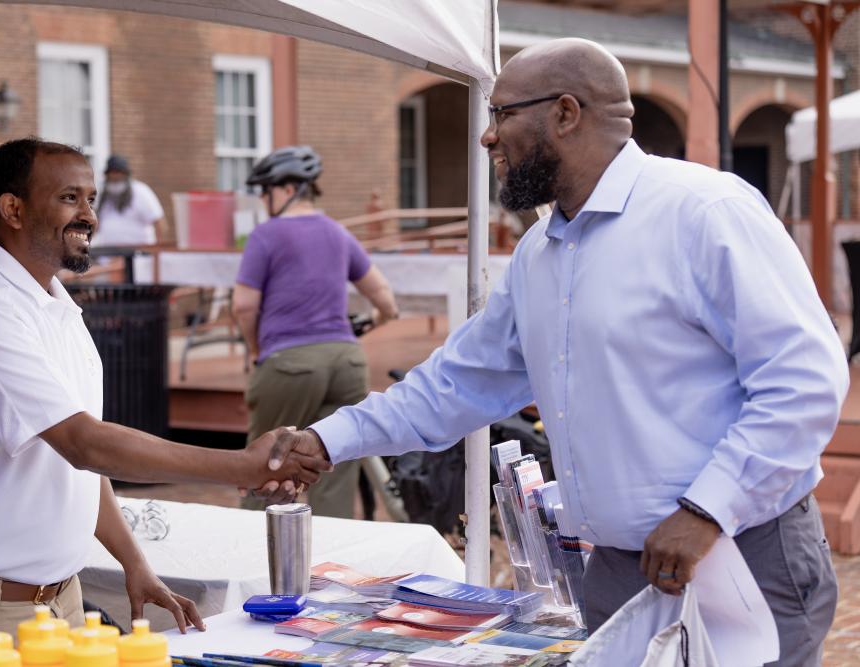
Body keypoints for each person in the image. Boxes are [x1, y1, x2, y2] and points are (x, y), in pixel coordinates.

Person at [256, 40, 848, 666]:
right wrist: (327, 440)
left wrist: (707, 510)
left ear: (566, 114)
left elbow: (804, 382)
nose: (488, 138)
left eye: (502, 114)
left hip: (743, 555)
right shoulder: (539, 253)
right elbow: (454, 385)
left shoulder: (704, 213)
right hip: (623, 571)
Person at [0, 138, 329, 659]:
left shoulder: (53, 301)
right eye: (71, 198)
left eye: (91, 199)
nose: (89, 215)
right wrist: (242, 467)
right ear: (13, 209)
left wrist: (133, 563)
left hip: (52, 604)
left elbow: (75, 464)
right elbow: (83, 444)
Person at [232, 145, 398, 519]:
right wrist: (376, 321)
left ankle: (249, 558)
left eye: (266, 190)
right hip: (347, 362)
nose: (262, 199)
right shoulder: (338, 233)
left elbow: (243, 306)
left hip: (290, 363)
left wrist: (260, 350)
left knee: (264, 465)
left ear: (288, 189)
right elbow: (386, 299)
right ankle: (329, 568)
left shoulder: (266, 235)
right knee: (334, 466)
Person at [92, 154, 165, 246]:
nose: (115, 177)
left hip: (139, 255)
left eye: (119, 176)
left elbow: (159, 222)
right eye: (112, 175)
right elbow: (96, 223)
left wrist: (157, 254)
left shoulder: (141, 191)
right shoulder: (102, 194)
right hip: (107, 253)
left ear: (126, 175)